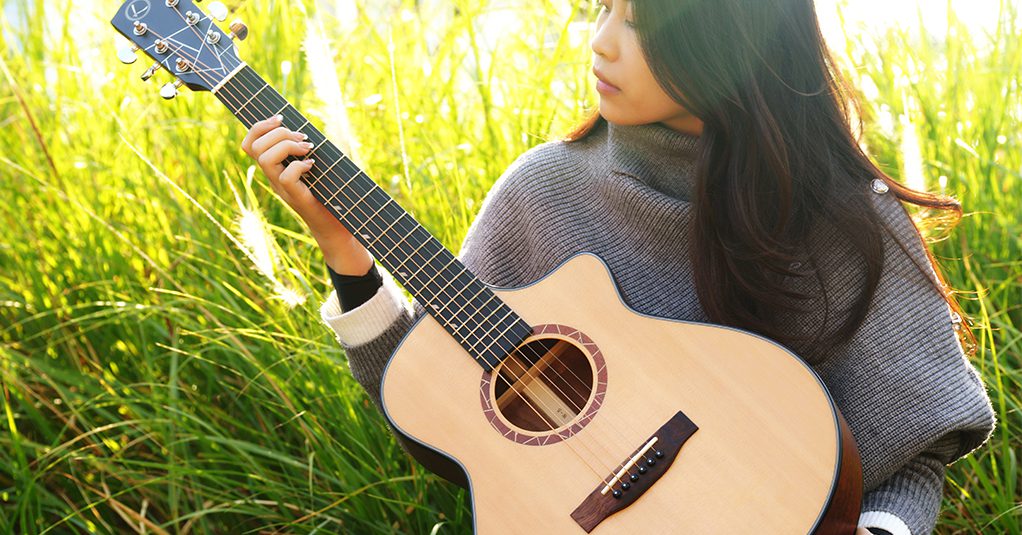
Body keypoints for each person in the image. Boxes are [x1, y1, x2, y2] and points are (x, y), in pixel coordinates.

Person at [239, 0, 995, 532]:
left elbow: (914, 449)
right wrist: (347, 255)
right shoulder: (544, 192)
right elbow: (436, 411)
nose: (601, 43)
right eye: (601, 8)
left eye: (637, 24)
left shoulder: (842, 217)